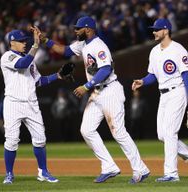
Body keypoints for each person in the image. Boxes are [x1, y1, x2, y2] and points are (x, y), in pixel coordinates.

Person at [41, 16, 150, 183]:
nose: (76, 30)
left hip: (110, 90)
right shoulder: (83, 44)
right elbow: (64, 51)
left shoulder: (99, 46)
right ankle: (109, 167)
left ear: (88, 29)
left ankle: (140, 169)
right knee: (86, 130)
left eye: (79, 28)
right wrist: (45, 40)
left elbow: (106, 69)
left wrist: (86, 85)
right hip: (98, 92)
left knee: (119, 132)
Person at [0, 27, 61, 184]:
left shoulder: (30, 59)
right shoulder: (7, 56)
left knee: (40, 139)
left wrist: (58, 75)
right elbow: (21, 64)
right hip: (13, 104)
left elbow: (39, 81)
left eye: (25, 41)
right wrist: (35, 45)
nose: (24, 43)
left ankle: (43, 172)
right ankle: (9, 174)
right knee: (12, 140)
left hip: (31, 104)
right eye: (21, 41)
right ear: (12, 42)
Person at [132, 18, 188, 182]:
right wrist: (143, 81)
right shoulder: (154, 51)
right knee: (162, 135)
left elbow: (186, 76)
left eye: (157, 29)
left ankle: (171, 174)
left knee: (170, 133)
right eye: (153, 29)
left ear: (166, 30)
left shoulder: (179, 50)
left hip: (178, 92)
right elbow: (153, 75)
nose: (154, 32)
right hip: (163, 95)